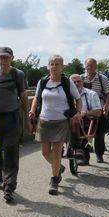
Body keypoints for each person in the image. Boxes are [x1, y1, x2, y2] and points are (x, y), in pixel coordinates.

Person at [0, 46, 31, 203]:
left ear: (12, 58)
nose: (4, 60)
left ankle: (9, 187)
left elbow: (24, 96)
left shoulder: (18, 74)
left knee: (11, 152)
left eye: (6, 57)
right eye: (1, 57)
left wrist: (28, 120)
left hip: (11, 118)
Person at [28, 55, 82, 196]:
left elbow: (78, 99)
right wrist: (32, 110)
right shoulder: (43, 81)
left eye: (57, 64)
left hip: (61, 121)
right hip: (44, 121)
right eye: (52, 64)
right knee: (46, 152)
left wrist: (78, 111)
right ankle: (58, 167)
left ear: (62, 67)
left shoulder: (67, 82)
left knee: (57, 151)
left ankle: (54, 180)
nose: (54, 66)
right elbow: (37, 98)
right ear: (48, 66)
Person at [81, 58, 109, 163]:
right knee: (84, 133)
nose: (89, 67)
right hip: (84, 108)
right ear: (84, 66)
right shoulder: (81, 78)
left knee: (99, 134)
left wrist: (107, 105)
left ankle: (99, 154)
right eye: (87, 65)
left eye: (92, 65)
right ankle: (85, 157)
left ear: (96, 66)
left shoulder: (102, 78)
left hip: (99, 108)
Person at [69, 75, 103, 165]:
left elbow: (99, 112)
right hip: (69, 118)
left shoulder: (92, 94)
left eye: (78, 81)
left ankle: (82, 153)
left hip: (86, 118)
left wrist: (85, 113)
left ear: (82, 82)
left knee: (81, 127)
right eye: (73, 82)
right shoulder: (66, 94)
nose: (76, 84)